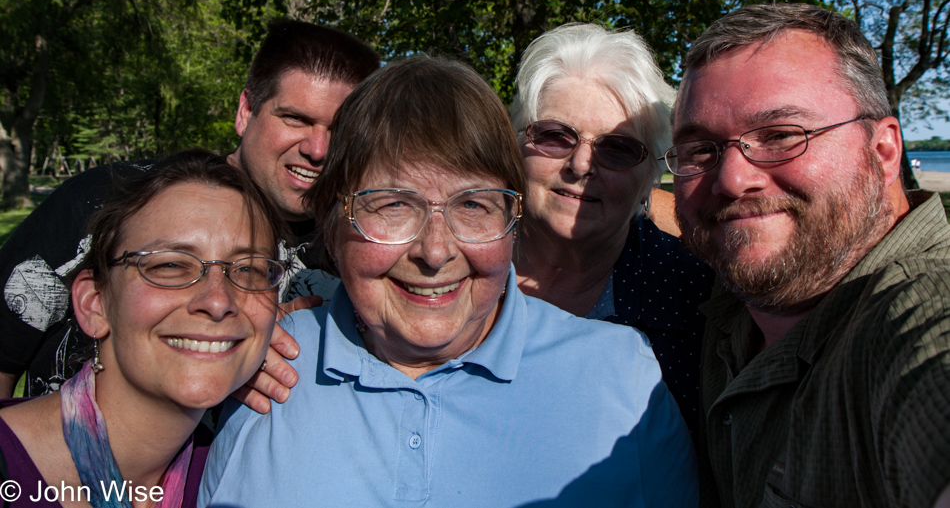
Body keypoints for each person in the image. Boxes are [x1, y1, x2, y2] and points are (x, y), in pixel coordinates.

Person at [199, 56, 698, 507]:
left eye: (473, 206)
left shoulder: (622, 377)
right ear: (331, 221)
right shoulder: (266, 369)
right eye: (392, 205)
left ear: (512, 220)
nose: (435, 252)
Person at [0, 20, 380, 400]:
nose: (317, 149)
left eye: (338, 131)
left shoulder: (360, 252)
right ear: (246, 111)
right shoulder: (110, 199)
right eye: (295, 118)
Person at [665, 3, 950, 508]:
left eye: (780, 136)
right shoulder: (729, 298)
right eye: (700, 151)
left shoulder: (916, 312)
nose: (731, 180)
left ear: (883, 152)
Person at [0, 150, 286, 508]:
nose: (217, 301)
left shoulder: (236, 480)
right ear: (95, 303)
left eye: (249, 270)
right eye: (170, 265)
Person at [509, 23, 714, 437]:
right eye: (554, 136)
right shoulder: (456, 264)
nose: (580, 165)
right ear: (516, 145)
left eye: (617, 148)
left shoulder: (696, 300)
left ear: (650, 176)